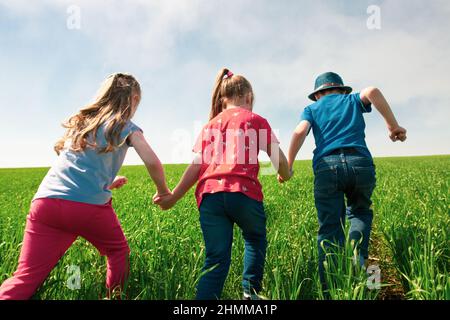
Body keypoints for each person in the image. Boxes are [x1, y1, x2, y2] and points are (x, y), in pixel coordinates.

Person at [0, 73, 170, 300]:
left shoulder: (81, 123)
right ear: (134, 98)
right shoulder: (126, 126)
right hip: (88, 208)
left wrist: (106, 182)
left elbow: (77, 164)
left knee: (26, 275)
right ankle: (114, 297)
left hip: (45, 202)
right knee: (117, 251)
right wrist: (163, 190)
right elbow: (151, 160)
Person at [154, 68, 291, 300]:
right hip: (244, 193)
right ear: (249, 97)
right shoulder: (255, 120)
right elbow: (278, 159)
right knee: (254, 238)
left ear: (222, 98)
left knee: (216, 257)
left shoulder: (209, 126)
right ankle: (250, 293)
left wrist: (174, 196)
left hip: (210, 197)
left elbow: (196, 166)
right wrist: (285, 174)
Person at [283, 71, 407, 286]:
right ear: (341, 89)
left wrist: (288, 165)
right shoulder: (351, 100)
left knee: (330, 227)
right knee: (359, 212)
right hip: (360, 163)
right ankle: (363, 270)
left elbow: (299, 131)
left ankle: (330, 286)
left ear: (318, 95)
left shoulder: (311, 109)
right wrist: (392, 126)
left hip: (326, 167)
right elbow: (373, 91)